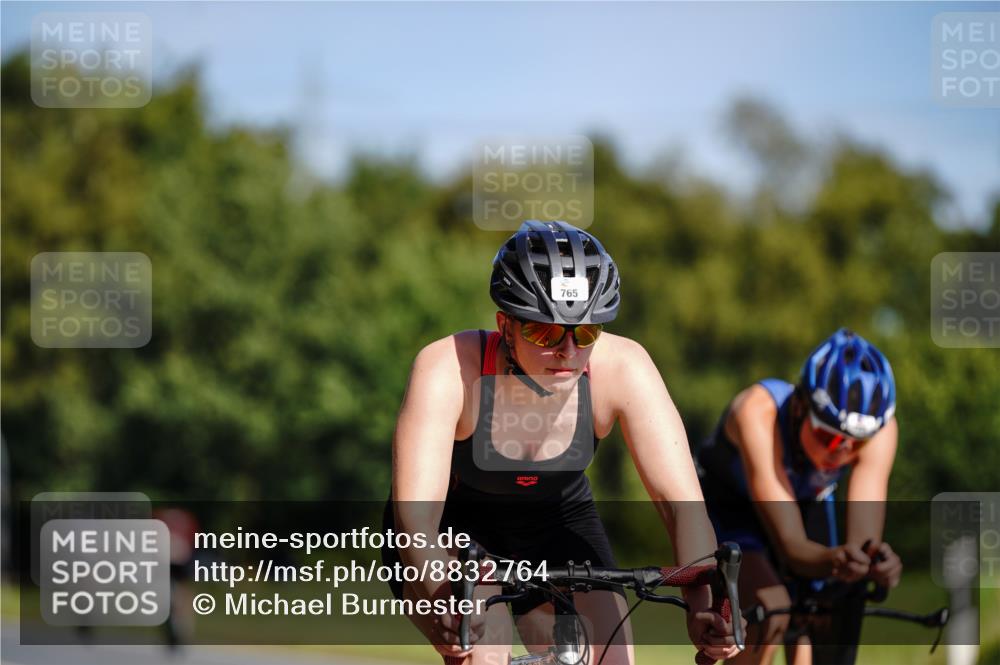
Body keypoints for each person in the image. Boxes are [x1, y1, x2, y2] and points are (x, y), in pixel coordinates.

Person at [381, 220, 743, 665]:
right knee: (483, 649)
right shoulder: (448, 369)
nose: (568, 352)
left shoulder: (623, 368)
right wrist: (440, 594)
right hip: (454, 531)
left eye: (586, 332)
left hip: (556, 521)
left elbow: (680, 504)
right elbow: (416, 523)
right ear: (506, 325)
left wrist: (703, 602)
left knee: (610, 658)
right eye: (545, 333)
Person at [694, 329, 903, 665]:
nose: (841, 453)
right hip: (730, 505)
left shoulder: (880, 430)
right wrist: (834, 561)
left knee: (830, 609)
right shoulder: (758, 412)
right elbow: (791, 547)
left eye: (857, 444)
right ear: (800, 408)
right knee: (770, 610)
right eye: (828, 437)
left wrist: (874, 563)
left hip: (804, 501)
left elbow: (861, 543)